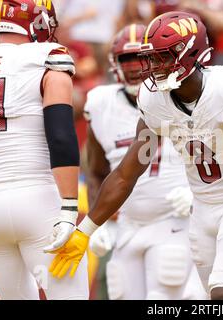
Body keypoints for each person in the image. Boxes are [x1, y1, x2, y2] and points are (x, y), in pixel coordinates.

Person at [48, 11, 223, 301]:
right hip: (202, 211)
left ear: (190, 55)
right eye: (152, 57)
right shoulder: (154, 101)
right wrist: (86, 230)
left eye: (162, 57)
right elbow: (127, 172)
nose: (153, 66)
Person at [0, 0, 88, 299]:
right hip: (34, 199)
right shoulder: (47, 57)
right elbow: (61, 135)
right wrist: (69, 208)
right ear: (39, 22)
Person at [84, 23, 206, 300]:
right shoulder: (101, 104)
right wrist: (98, 223)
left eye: (141, 57)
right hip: (129, 225)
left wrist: (196, 192)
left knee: (164, 297)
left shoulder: (181, 96)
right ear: (115, 64)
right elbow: (96, 172)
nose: (136, 67)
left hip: (175, 222)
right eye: (128, 59)